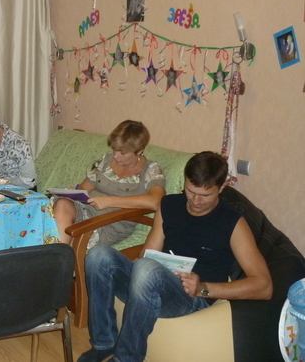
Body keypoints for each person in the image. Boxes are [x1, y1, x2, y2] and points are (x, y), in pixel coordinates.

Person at [78, 151, 272, 362]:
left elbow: (263, 286)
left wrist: (203, 288)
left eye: (205, 195)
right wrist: (147, 268)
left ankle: (126, 358)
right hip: (154, 283)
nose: (196, 201)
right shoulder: (169, 205)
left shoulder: (233, 222)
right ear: (185, 181)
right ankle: (104, 343)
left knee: (146, 269)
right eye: (190, 191)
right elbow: (147, 253)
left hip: (191, 297)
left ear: (221, 188)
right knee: (98, 255)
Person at [53, 120, 165, 245]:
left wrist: (109, 201)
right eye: (114, 149)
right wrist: (74, 193)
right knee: (61, 204)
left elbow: (156, 201)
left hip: (110, 223)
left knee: (63, 235)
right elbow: (84, 187)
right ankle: (57, 252)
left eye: (122, 152)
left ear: (139, 151)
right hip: (85, 211)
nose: (115, 156)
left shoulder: (151, 169)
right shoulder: (105, 161)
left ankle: (57, 253)